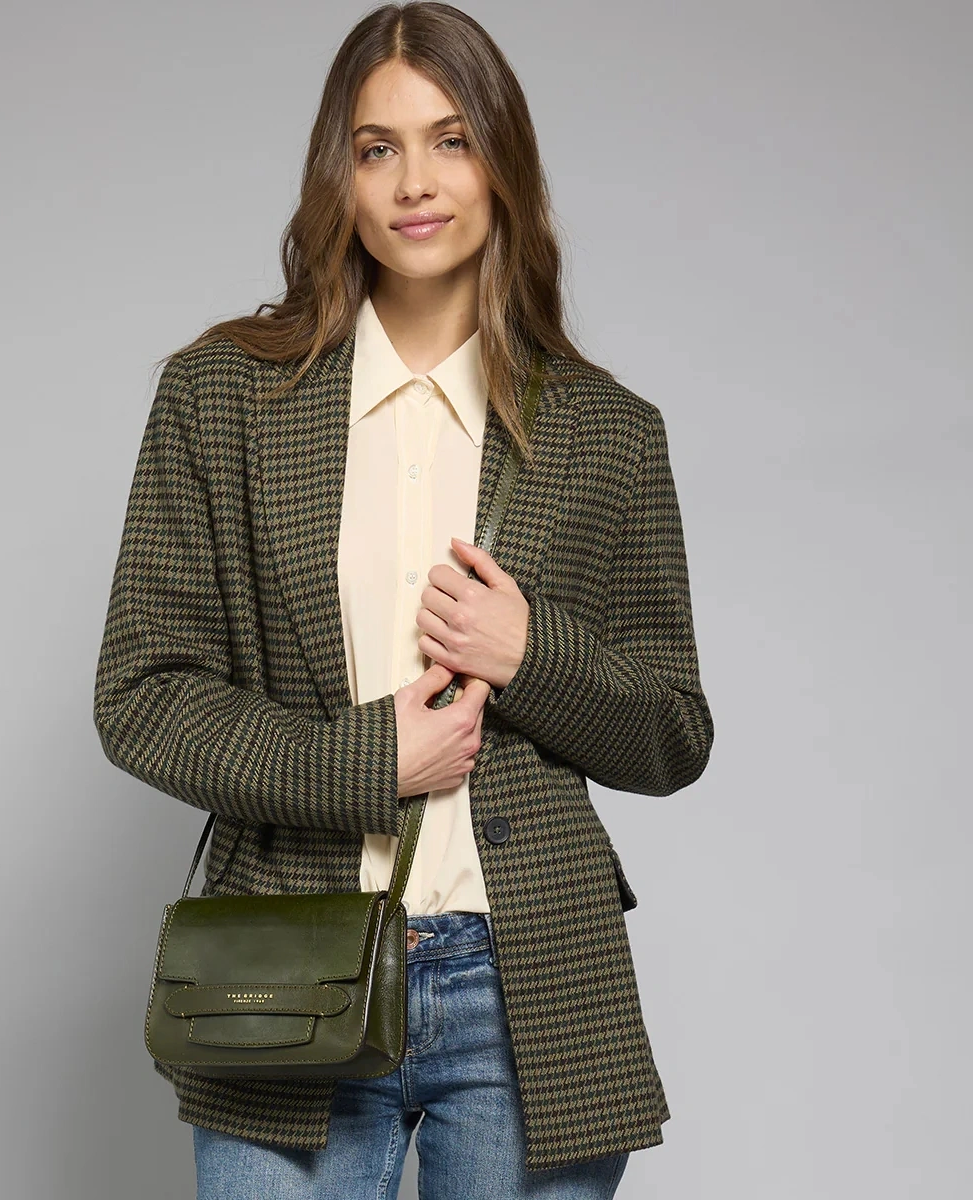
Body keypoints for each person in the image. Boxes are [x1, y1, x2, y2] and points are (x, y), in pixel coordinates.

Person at [93, 3, 714, 1197]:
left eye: (452, 140)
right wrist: (370, 759)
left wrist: (533, 654)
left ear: (503, 163)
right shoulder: (224, 399)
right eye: (377, 148)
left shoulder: (608, 434)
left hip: (531, 987)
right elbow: (143, 696)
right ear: (340, 175)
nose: (415, 183)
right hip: (289, 968)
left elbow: (673, 733)